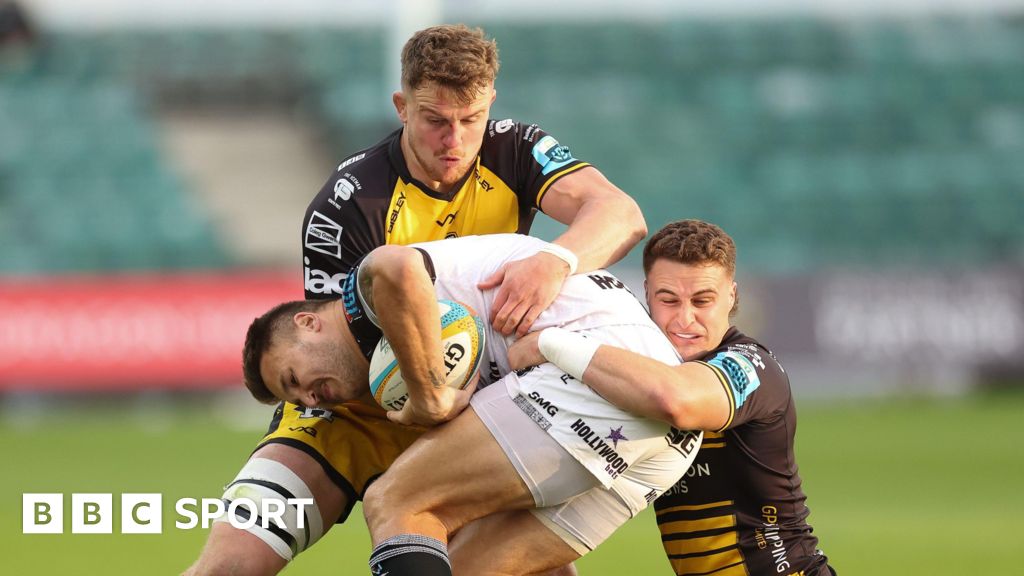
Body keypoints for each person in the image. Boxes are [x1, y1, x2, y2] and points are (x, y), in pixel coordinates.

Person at [184, 23, 646, 575]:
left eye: (469, 120)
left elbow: (621, 215)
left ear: (490, 104)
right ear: (402, 106)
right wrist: (432, 392)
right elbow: (350, 359)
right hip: (351, 415)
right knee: (228, 568)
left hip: (464, 407)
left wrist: (556, 260)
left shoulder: (516, 148)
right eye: (434, 120)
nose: (453, 140)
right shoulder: (349, 204)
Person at [245, 233, 702, 575]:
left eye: (293, 379)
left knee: (397, 501)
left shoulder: (362, 301)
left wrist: (429, 396)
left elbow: (397, 267)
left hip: (600, 373)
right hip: (663, 442)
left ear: (307, 322)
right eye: (296, 399)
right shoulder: (386, 357)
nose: (308, 397)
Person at [508, 219, 836, 576]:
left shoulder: (754, 366)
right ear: (646, 293)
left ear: (731, 295)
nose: (685, 318)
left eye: (702, 300)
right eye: (669, 300)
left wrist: (551, 344)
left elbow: (676, 400)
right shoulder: (631, 372)